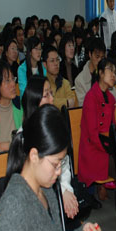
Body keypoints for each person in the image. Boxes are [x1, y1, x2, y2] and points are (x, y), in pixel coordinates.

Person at [22, 76, 89, 216]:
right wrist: (60, 192)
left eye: (51, 93)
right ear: (34, 100)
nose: (52, 99)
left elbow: (64, 163)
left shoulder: (54, 126)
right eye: (46, 95)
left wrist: (65, 189)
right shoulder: (24, 135)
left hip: (57, 186)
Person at [78, 59, 116, 201]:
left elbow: (113, 126)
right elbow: (92, 134)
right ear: (100, 73)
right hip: (94, 149)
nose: (113, 75)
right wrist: (111, 149)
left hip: (106, 144)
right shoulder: (91, 97)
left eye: (115, 72)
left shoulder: (111, 98)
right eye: (110, 70)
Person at [74, 38, 116, 106]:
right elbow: (83, 106)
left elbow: (115, 99)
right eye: (97, 56)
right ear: (90, 54)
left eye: (102, 57)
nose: (99, 60)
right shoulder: (79, 80)